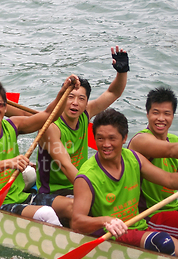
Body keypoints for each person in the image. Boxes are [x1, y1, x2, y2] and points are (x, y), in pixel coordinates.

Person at [72, 108, 178, 259]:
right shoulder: (86, 177)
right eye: (100, 138)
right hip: (111, 233)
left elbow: (170, 180)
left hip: (138, 225)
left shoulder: (133, 158)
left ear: (124, 138)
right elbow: (77, 222)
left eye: (112, 138)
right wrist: (105, 220)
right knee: (163, 242)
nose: (106, 145)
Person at [0, 78, 75, 225]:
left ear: (5, 107)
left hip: (21, 196)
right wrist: (7, 163)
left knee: (72, 206)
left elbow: (48, 115)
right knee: (46, 214)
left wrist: (63, 93)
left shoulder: (12, 125)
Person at [34, 46, 129, 222]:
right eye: (70, 97)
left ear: (86, 103)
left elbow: (113, 92)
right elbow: (66, 165)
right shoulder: (51, 128)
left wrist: (122, 72)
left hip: (78, 185)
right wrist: (92, 192)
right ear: (63, 98)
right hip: (53, 193)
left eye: (81, 98)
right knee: (78, 207)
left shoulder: (86, 114)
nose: (75, 103)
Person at [128, 87, 178, 247]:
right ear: (147, 114)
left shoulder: (174, 139)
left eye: (167, 114)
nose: (161, 119)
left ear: (173, 116)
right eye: (155, 112)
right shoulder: (141, 141)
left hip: (174, 206)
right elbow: (170, 150)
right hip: (149, 214)